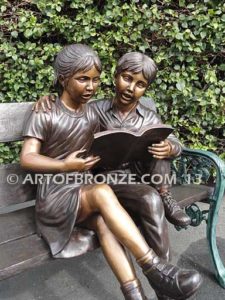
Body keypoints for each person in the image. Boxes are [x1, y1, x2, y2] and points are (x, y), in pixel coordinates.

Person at [21, 44, 202, 300]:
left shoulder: (89, 114)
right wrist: (64, 165)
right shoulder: (48, 111)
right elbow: (27, 157)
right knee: (103, 191)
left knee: (106, 225)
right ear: (63, 79)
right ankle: (157, 270)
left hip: (81, 193)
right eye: (83, 79)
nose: (91, 86)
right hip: (57, 195)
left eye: (95, 80)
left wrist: (167, 147)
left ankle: (135, 294)